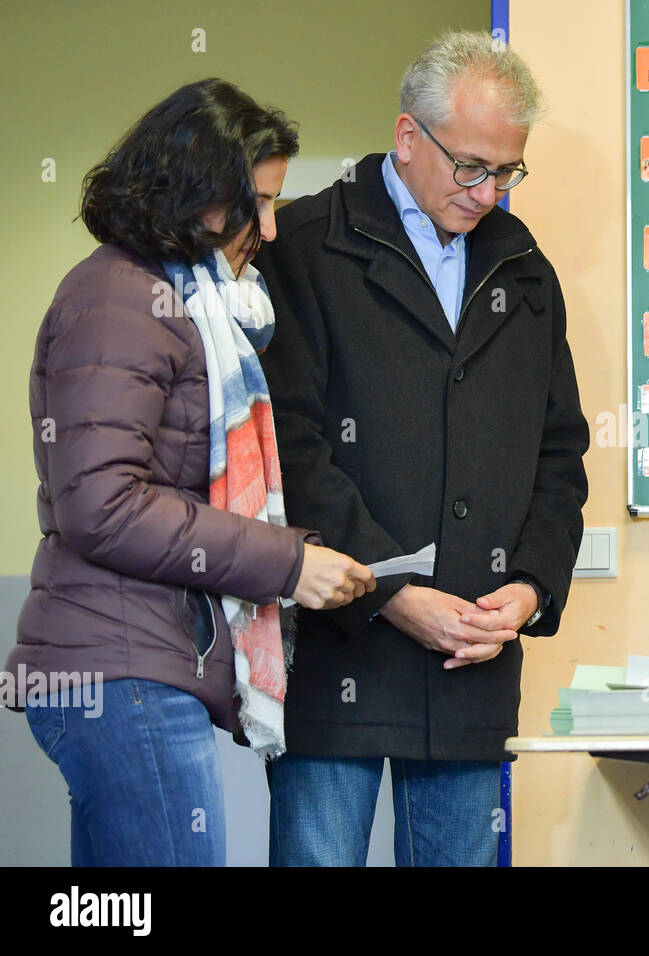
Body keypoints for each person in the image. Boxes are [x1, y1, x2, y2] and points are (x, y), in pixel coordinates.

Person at [5, 78, 376, 866]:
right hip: (118, 668)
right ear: (202, 195)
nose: (271, 231)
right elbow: (102, 505)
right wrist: (289, 563)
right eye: (260, 204)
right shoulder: (121, 298)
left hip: (123, 664)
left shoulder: (177, 300)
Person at [255, 31, 589, 867]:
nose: (487, 192)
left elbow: (560, 452)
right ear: (409, 137)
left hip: (472, 655)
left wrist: (530, 590)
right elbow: (288, 446)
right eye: (470, 166)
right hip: (341, 649)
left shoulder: (525, 272)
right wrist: (392, 588)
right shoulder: (301, 247)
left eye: (507, 171)